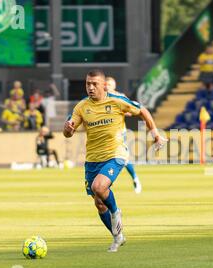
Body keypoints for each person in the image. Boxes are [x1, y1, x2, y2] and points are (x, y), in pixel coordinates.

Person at [63, 70, 166, 252]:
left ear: (104, 85)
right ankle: (118, 235)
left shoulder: (117, 101)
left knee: (99, 187)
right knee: (99, 202)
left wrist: (155, 134)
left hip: (115, 154)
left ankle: (116, 211)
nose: (91, 87)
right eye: (88, 84)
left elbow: (142, 110)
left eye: (94, 84)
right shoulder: (81, 107)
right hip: (93, 159)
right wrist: (68, 129)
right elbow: (68, 132)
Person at [105, 76, 142, 194]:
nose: (107, 87)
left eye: (109, 85)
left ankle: (135, 178)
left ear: (114, 86)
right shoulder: (101, 98)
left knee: (122, 157)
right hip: (105, 133)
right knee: (108, 156)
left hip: (119, 132)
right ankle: (106, 179)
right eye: (106, 85)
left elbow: (131, 112)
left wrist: (118, 111)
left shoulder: (120, 97)